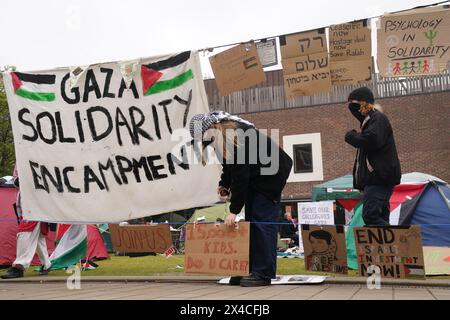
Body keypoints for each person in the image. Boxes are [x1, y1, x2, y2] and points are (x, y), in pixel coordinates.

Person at [189, 111, 293, 287]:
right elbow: (230, 168)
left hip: (270, 177)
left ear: (212, 127)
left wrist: (234, 211)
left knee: (261, 224)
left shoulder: (236, 137)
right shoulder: (222, 139)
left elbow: (241, 176)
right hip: (257, 177)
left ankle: (263, 273)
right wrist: (224, 184)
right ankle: (250, 269)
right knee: (251, 225)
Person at [344, 87, 401, 226]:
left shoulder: (377, 118)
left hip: (379, 179)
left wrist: (351, 136)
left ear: (365, 103)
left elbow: (372, 140)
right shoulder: (370, 121)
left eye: (355, 102)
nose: (352, 107)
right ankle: (390, 245)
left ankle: (402, 241)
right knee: (378, 216)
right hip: (378, 178)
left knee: (371, 215)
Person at [1, 175, 52, 279]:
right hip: (27, 203)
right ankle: (47, 264)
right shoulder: (19, 163)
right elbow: (16, 182)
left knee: (24, 233)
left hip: (35, 204)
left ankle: (20, 266)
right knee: (38, 238)